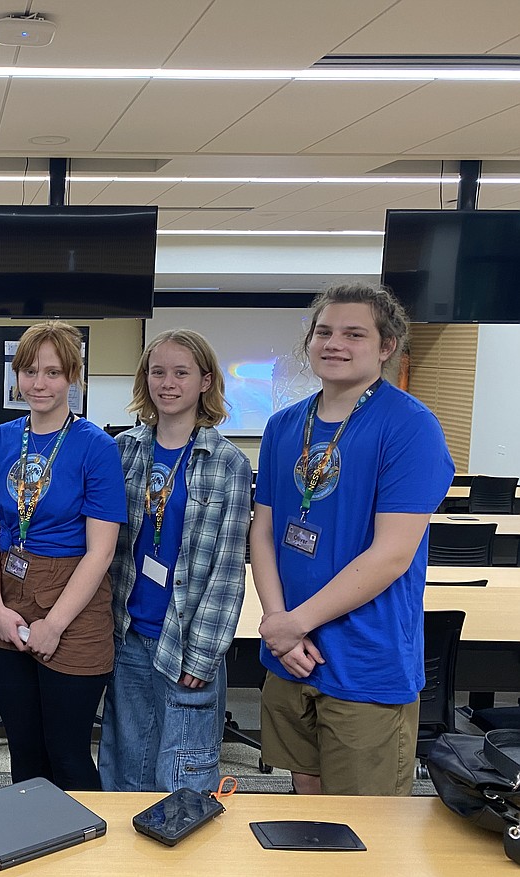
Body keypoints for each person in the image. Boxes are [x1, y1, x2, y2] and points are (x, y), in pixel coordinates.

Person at [250, 282, 454, 796]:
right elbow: (265, 531)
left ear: (386, 347)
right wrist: (279, 624)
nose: (333, 342)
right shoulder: (283, 425)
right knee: (305, 803)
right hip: (291, 654)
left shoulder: (410, 427)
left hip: (364, 659)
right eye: (324, 331)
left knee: (367, 827)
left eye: (354, 333)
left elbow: (391, 556)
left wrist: (292, 624)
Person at [0, 321, 126, 790]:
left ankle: (87, 858)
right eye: (29, 371)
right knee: (24, 749)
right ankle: (31, 849)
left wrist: (54, 624)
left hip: (73, 604)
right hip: (8, 594)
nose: (39, 384)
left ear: (73, 377)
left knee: (66, 753)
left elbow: (101, 553)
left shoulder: (96, 447)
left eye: (53, 372)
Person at [98, 330, 252, 792]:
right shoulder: (123, 452)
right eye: (157, 371)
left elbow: (227, 572)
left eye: (181, 372)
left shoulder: (228, 464)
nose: (168, 383)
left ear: (205, 381)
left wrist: (203, 654)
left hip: (185, 641)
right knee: (125, 768)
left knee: (183, 778)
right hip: (127, 636)